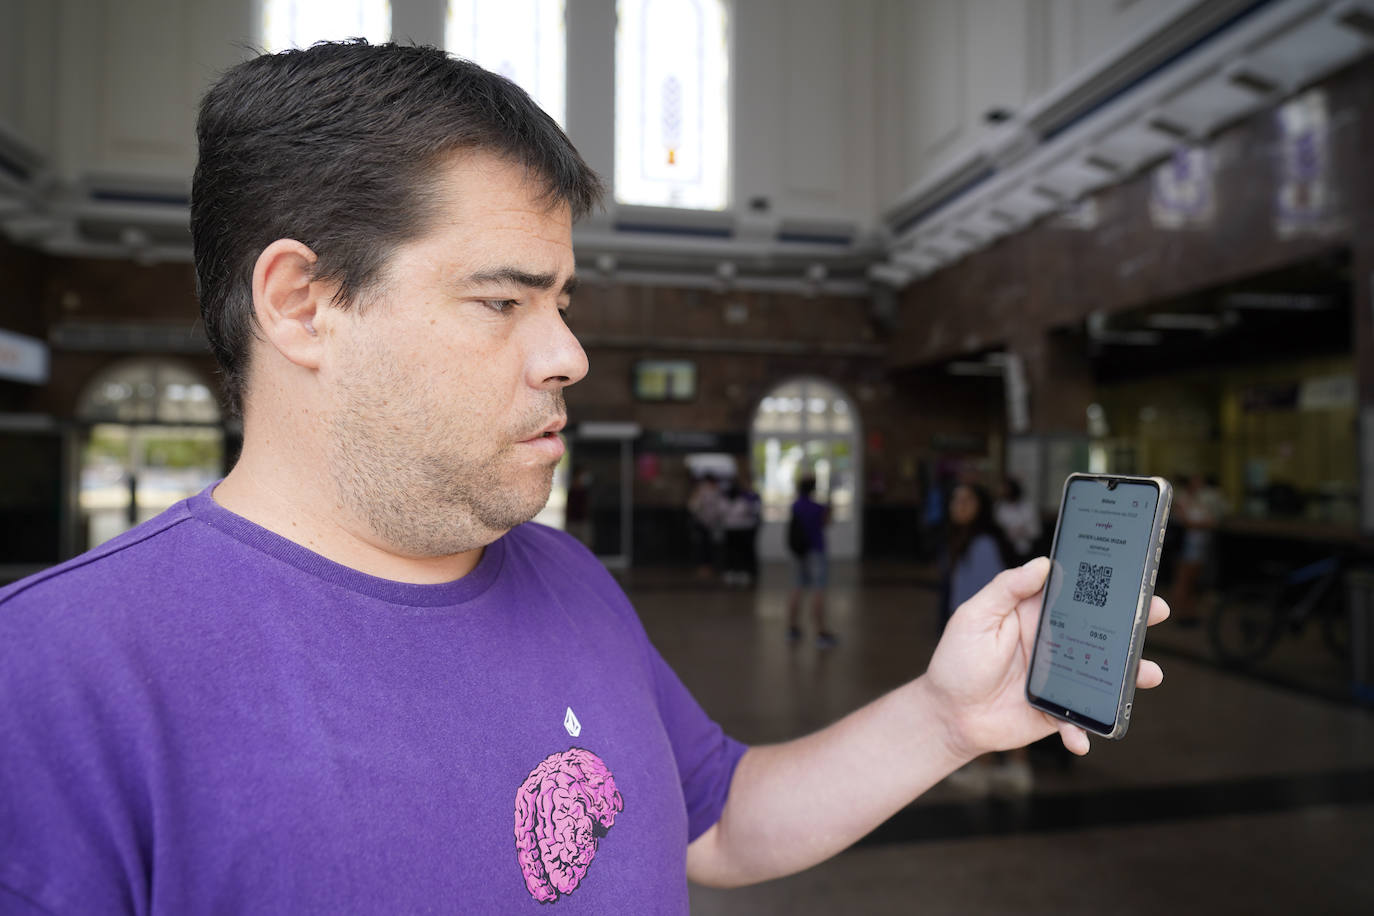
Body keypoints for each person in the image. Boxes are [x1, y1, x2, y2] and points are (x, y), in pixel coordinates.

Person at [0, 42, 1169, 913]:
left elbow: (716, 820)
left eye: (562, 301)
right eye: (504, 301)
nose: (568, 353)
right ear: (305, 302)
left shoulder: (563, 576)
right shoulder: (56, 678)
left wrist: (947, 716)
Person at [940, 482, 1033, 796]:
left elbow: (985, 599)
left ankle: (985, 772)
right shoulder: (969, 539)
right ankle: (1011, 768)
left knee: (985, 704)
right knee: (1000, 702)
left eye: (966, 499)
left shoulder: (981, 544)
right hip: (987, 638)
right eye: (955, 498)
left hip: (987, 640)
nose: (958, 505)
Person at [786, 474, 839, 648]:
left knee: (797, 587)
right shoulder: (818, 508)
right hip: (816, 551)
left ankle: (792, 629)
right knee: (818, 590)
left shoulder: (795, 506)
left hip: (799, 553)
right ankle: (821, 633)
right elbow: (826, 522)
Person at [994, 475, 1042, 566]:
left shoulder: (1028, 507)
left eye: (1007, 489)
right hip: (1005, 552)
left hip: (1027, 552)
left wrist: (1023, 531)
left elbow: (1036, 531)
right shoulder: (999, 508)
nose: (1004, 492)